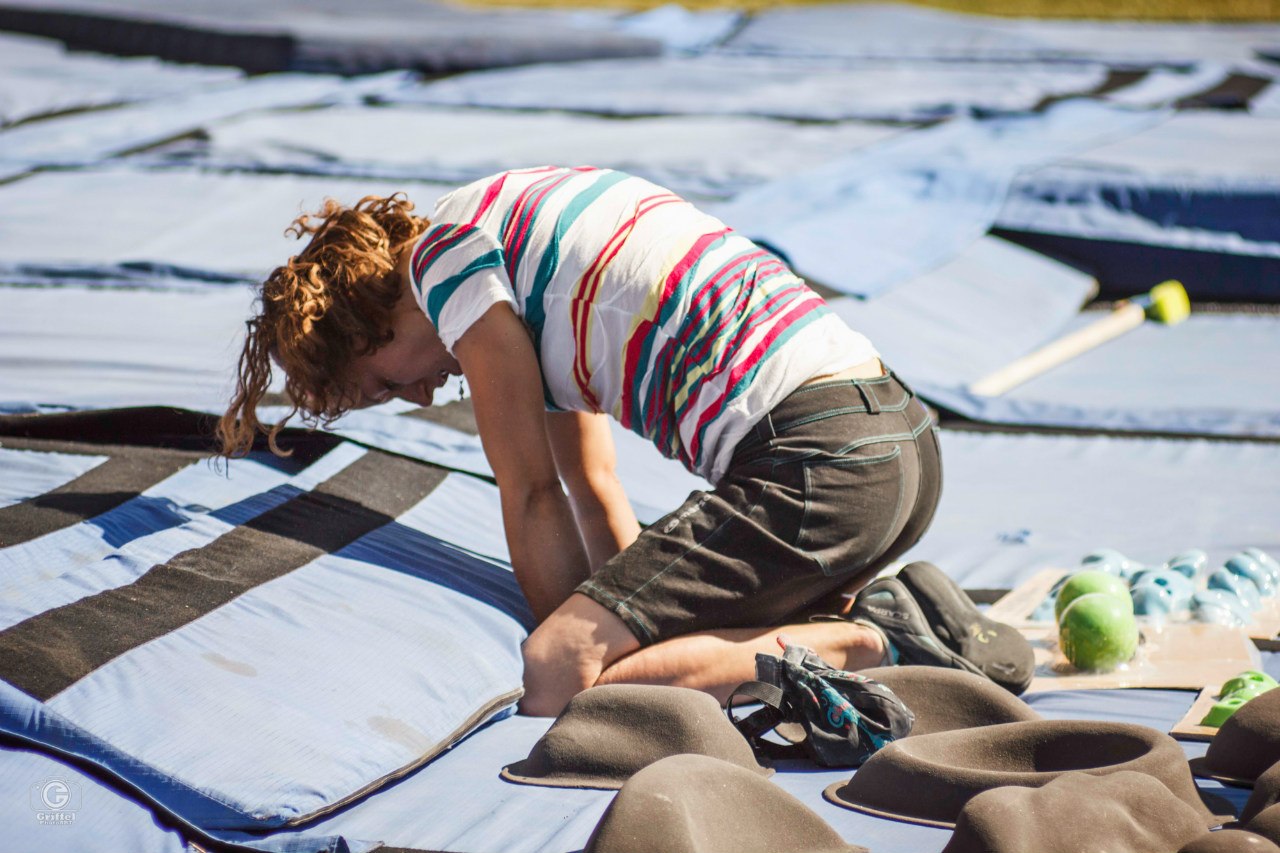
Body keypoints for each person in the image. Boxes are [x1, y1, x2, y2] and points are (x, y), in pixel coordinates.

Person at [219, 165, 946, 718]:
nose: (419, 396)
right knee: (632, 647)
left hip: (820, 463)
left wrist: (574, 645)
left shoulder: (444, 267)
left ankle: (878, 637)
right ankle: (848, 627)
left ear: (372, 321)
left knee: (555, 671)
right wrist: (616, 617)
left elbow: (533, 491)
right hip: (898, 445)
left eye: (382, 383)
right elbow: (595, 490)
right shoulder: (505, 240)